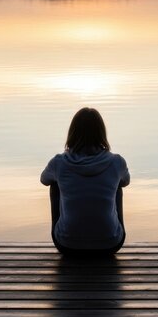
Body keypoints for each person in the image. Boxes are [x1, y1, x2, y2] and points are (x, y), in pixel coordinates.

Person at [41, 107, 130, 255]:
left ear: (72, 133)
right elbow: (126, 181)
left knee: (54, 184)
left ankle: (68, 231)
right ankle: (109, 230)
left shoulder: (59, 162)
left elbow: (44, 180)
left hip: (67, 245)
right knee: (118, 186)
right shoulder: (116, 162)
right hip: (110, 244)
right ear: (101, 133)